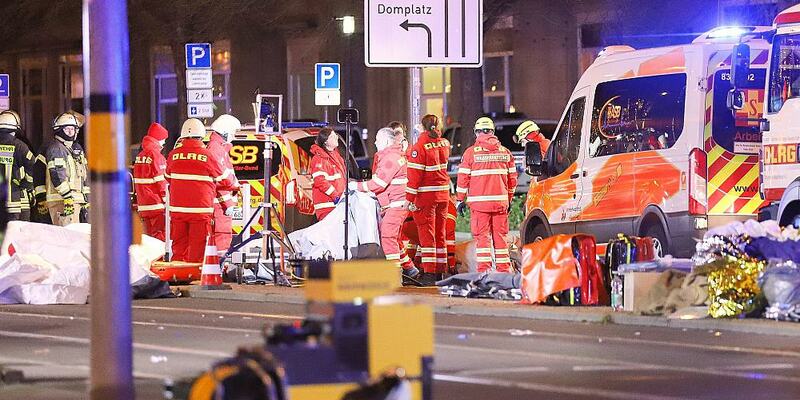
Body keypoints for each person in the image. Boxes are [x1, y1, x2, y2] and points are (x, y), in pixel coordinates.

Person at [350, 127, 419, 278]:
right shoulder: (394, 156)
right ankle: (409, 268)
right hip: (396, 204)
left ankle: (395, 274)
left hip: (395, 205)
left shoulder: (390, 158)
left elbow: (378, 184)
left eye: (377, 139)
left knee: (388, 237)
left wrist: (356, 186)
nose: (375, 142)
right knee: (395, 239)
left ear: (387, 141)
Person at [166, 118, 237, 263]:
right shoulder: (207, 155)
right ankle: (195, 274)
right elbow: (225, 179)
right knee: (198, 247)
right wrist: (235, 185)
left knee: (179, 245)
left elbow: (168, 177)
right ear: (202, 135)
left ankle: (179, 275)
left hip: (178, 210)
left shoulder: (173, 155)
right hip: (200, 211)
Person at [456, 117, 518, 273]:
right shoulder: (506, 152)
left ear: (477, 133)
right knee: (501, 237)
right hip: (500, 204)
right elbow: (512, 180)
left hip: (480, 205)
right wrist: (508, 199)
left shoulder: (470, 153)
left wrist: (460, 200)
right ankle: (504, 270)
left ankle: (484, 270)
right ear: (492, 132)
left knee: (482, 238)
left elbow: (463, 179)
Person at [406, 114, 450, 285]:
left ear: (423, 128)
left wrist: (409, 199)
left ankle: (430, 273)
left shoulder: (419, 147)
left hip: (426, 196)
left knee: (427, 234)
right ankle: (440, 270)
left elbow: (414, 178)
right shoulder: (445, 143)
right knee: (440, 233)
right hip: (443, 195)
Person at [43, 112, 89, 226]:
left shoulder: (72, 150)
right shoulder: (57, 149)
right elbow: (57, 175)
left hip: (74, 201)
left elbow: (83, 176)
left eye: (73, 129)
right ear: (59, 130)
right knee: (66, 237)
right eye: (67, 129)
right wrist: (67, 196)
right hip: (62, 201)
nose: (70, 132)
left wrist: (87, 199)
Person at [206, 114, 242, 253]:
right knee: (222, 237)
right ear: (225, 132)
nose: (233, 136)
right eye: (232, 132)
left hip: (222, 203)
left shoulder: (219, 149)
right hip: (220, 204)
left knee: (223, 236)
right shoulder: (216, 150)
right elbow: (220, 180)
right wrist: (228, 204)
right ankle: (221, 267)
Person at [133, 122, 169, 241]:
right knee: (160, 239)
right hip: (157, 206)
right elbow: (162, 183)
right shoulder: (157, 156)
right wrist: (167, 202)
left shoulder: (140, 156)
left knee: (148, 240)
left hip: (144, 206)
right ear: (158, 139)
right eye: (163, 140)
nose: (164, 143)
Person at [0, 111, 35, 221]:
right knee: (18, 232)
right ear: (15, 128)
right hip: (15, 199)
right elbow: (32, 165)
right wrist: (28, 186)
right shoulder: (20, 146)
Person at [310, 128, 346, 220]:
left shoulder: (336, 157)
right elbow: (320, 181)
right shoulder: (319, 158)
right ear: (326, 141)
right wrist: (335, 196)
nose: (336, 137)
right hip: (327, 205)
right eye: (333, 136)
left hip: (336, 204)